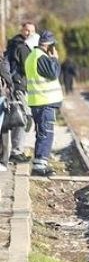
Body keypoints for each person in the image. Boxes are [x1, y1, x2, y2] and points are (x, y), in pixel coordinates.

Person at [25, 30, 63, 177]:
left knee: (42, 133)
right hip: (44, 102)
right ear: (50, 45)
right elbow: (54, 73)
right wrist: (54, 59)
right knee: (46, 134)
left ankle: (40, 164)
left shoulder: (32, 57)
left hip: (38, 102)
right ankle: (39, 167)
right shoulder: (41, 57)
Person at [5, 20, 36, 162]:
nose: (28, 33)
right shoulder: (21, 46)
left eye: (31, 31)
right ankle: (16, 151)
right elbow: (28, 67)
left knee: (18, 117)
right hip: (20, 86)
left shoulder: (14, 44)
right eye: (26, 30)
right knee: (22, 118)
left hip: (16, 85)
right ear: (22, 30)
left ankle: (17, 150)